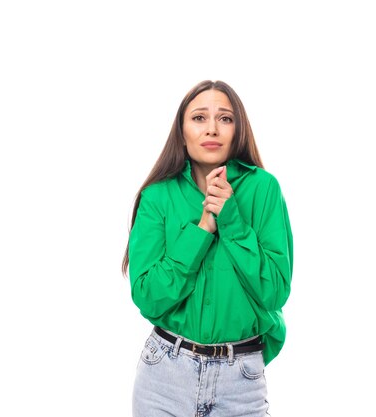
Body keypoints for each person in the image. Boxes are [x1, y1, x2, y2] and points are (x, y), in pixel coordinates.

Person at [122, 80, 293, 416]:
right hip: (164, 377)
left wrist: (230, 218)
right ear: (181, 131)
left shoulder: (264, 189)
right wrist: (202, 229)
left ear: (238, 129)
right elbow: (147, 294)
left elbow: (275, 291)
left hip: (240, 380)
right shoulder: (158, 196)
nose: (212, 128)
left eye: (225, 119)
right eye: (199, 118)